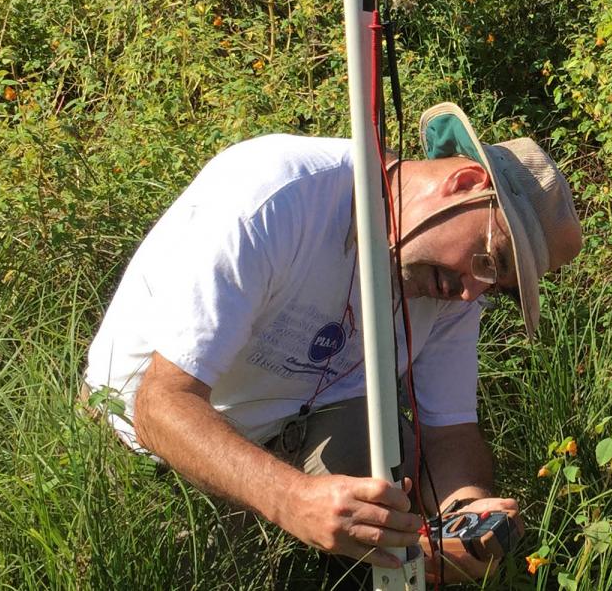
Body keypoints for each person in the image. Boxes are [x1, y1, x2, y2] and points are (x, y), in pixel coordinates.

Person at [83, 102, 582, 583]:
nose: (474, 291)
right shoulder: (275, 196)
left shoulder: (453, 287)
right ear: (465, 184)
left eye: (498, 289)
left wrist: (465, 514)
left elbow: (448, 435)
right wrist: (292, 500)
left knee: (391, 461)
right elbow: (160, 403)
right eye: (490, 259)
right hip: (150, 443)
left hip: (295, 428)